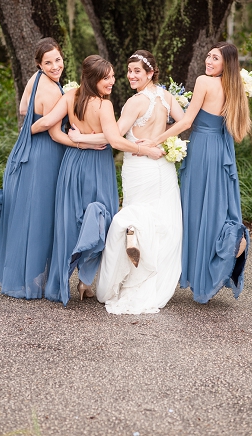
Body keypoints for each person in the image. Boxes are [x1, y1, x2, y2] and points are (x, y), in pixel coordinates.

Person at [30, 54, 164, 307]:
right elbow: (113, 140)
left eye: (113, 75)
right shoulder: (104, 106)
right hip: (97, 167)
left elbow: (55, 133)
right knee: (102, 218)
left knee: (70, 220)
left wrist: (78, 142)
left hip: (71, 164)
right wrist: (146, 150)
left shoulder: (70, 96)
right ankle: (85, 280)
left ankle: (60, 283)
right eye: (107, 78)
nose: (113, 81)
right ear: (93, 79)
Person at [0, 37, 79, 299]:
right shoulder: (56, 92)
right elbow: (50, 127)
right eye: (49, 62)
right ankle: (31, 282)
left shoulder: (34, 80)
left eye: (58, 60)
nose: (55, 66)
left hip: (22, 153)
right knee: (38, 217)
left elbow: (24, 108)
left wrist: (31, 127)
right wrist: (81, 142)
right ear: (39, 63)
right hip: (44, 156)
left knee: (18, 209)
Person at [71, 50, 186, 314]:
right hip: (163, 165)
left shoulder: (135, 102)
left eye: (137, 71)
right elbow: (183, 122)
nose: (131, 76)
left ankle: (133, 233)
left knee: (138, 210)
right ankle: (155, 278)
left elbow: (112, 137)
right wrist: (161, 141)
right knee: (164, 221)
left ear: (150, 73)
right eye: (129, 70)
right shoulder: (167, 97)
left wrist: (78, 138)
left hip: (139, 165)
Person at [144, 41, 250, 304]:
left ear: (226, 63)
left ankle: (199, 274)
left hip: (202, 149)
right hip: (220, 151)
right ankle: (212, 268)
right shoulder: (234, 87)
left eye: (215, 58)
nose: (209, 61)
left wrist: (156, 140)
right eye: (208, 56)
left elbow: (187, 122)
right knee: (213, 208)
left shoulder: (205, 82)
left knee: (195, 209)